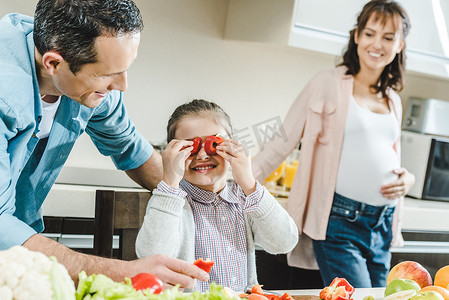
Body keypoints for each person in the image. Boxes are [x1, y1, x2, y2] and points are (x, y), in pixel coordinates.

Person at [0, 0, 208, 288]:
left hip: (20, 257)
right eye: (107, 74)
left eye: (125, 69)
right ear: (54, 64)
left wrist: (206, 197)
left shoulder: (89, 87)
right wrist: (127, 271)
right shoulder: (5, 93)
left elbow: (130, 148)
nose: (122, 85)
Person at [252, 0, 415, 288]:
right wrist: (237, 182)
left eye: (388, 37)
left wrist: (408, 179)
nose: (377, 44)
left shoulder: (393, 99)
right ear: (356, 36)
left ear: (400, 44)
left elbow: (383, 154)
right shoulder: (326, 82)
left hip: (383, 224)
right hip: (339, 222)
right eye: (369, 33)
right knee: (362, 297)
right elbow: (283, 138)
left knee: (386, 297)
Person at [135, 99, 298, 292]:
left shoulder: (244, 197)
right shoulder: (170, 200)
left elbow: (285, 242)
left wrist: (249, 183)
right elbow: (151, 257)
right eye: (190, 147)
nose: (202, 155)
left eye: (214, 144)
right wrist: (170, 182)